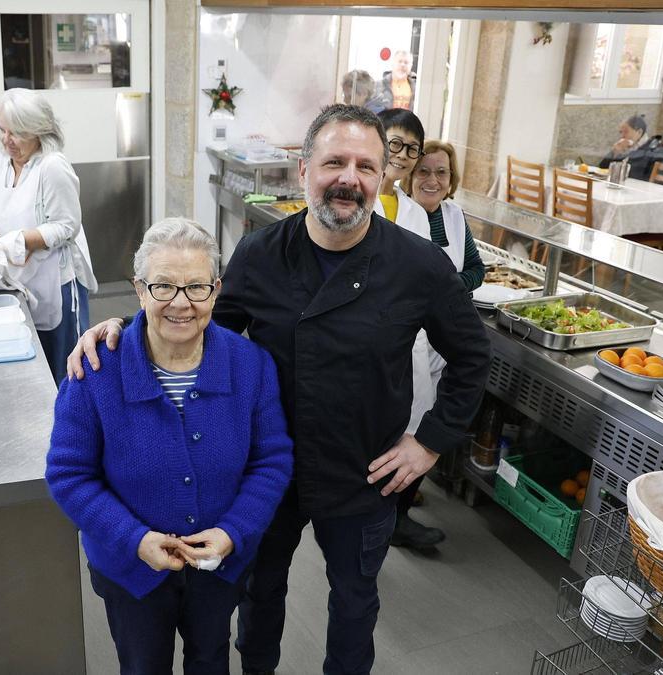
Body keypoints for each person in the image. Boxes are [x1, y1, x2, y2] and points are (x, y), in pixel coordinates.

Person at [67, 104, 491, 675]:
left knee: (354, 603)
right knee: (258, 596)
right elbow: (200, 326)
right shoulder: (262, 254)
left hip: (365, 468)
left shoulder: (419, 265)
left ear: (384, 176)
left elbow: (471, 355)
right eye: (334, 162)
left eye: (366, 166)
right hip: (268, 471)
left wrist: (429, 442)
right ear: (304, 172)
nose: (350, 178)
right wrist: (124, 326)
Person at [47, 218, 294, 674]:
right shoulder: (97, 369)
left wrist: (232, 532)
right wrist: (134, 539)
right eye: (163, 286)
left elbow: (272, 461)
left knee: (210, 659)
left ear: (216, 291)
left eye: (196, 287)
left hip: (218, 566)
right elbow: (68, 474)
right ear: (139, 290)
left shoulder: (250, 366)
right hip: (130, 571)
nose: (181, 303)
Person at [390, 139, 485, 549]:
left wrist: (445, 293)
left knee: (425, 422)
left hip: (438, 341)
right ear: (409, 175)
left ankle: (402, 497)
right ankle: (393, 517)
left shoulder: (454, 216)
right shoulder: (397, 216)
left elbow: (477, 270)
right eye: (423, 171)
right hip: (405, 340)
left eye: (441, 172)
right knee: (402, 423)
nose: (432, 179)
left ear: (452, 180)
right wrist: (442, 294)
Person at [0, 88, 97, 383]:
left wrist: (22, 240)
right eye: (2, 131)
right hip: (17, 275)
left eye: (16, 133)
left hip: (55, 280)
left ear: (38, 131)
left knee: (65, 368)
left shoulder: (52, 167)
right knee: (29, 365)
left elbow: (67, 225)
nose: (7, 140)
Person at [374, 108, 430, 234]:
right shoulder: (352, 199)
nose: (403, 155)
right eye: (395, 143)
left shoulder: (418, 214)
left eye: (413, 148)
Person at [598, 114, 663, 181]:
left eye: (626, 132)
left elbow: (656, 181)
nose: (622, 136)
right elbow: (601, 168)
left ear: (639, 132)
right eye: (621, 132)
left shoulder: (655, 151)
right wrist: (614, 153)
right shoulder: (624, 147)